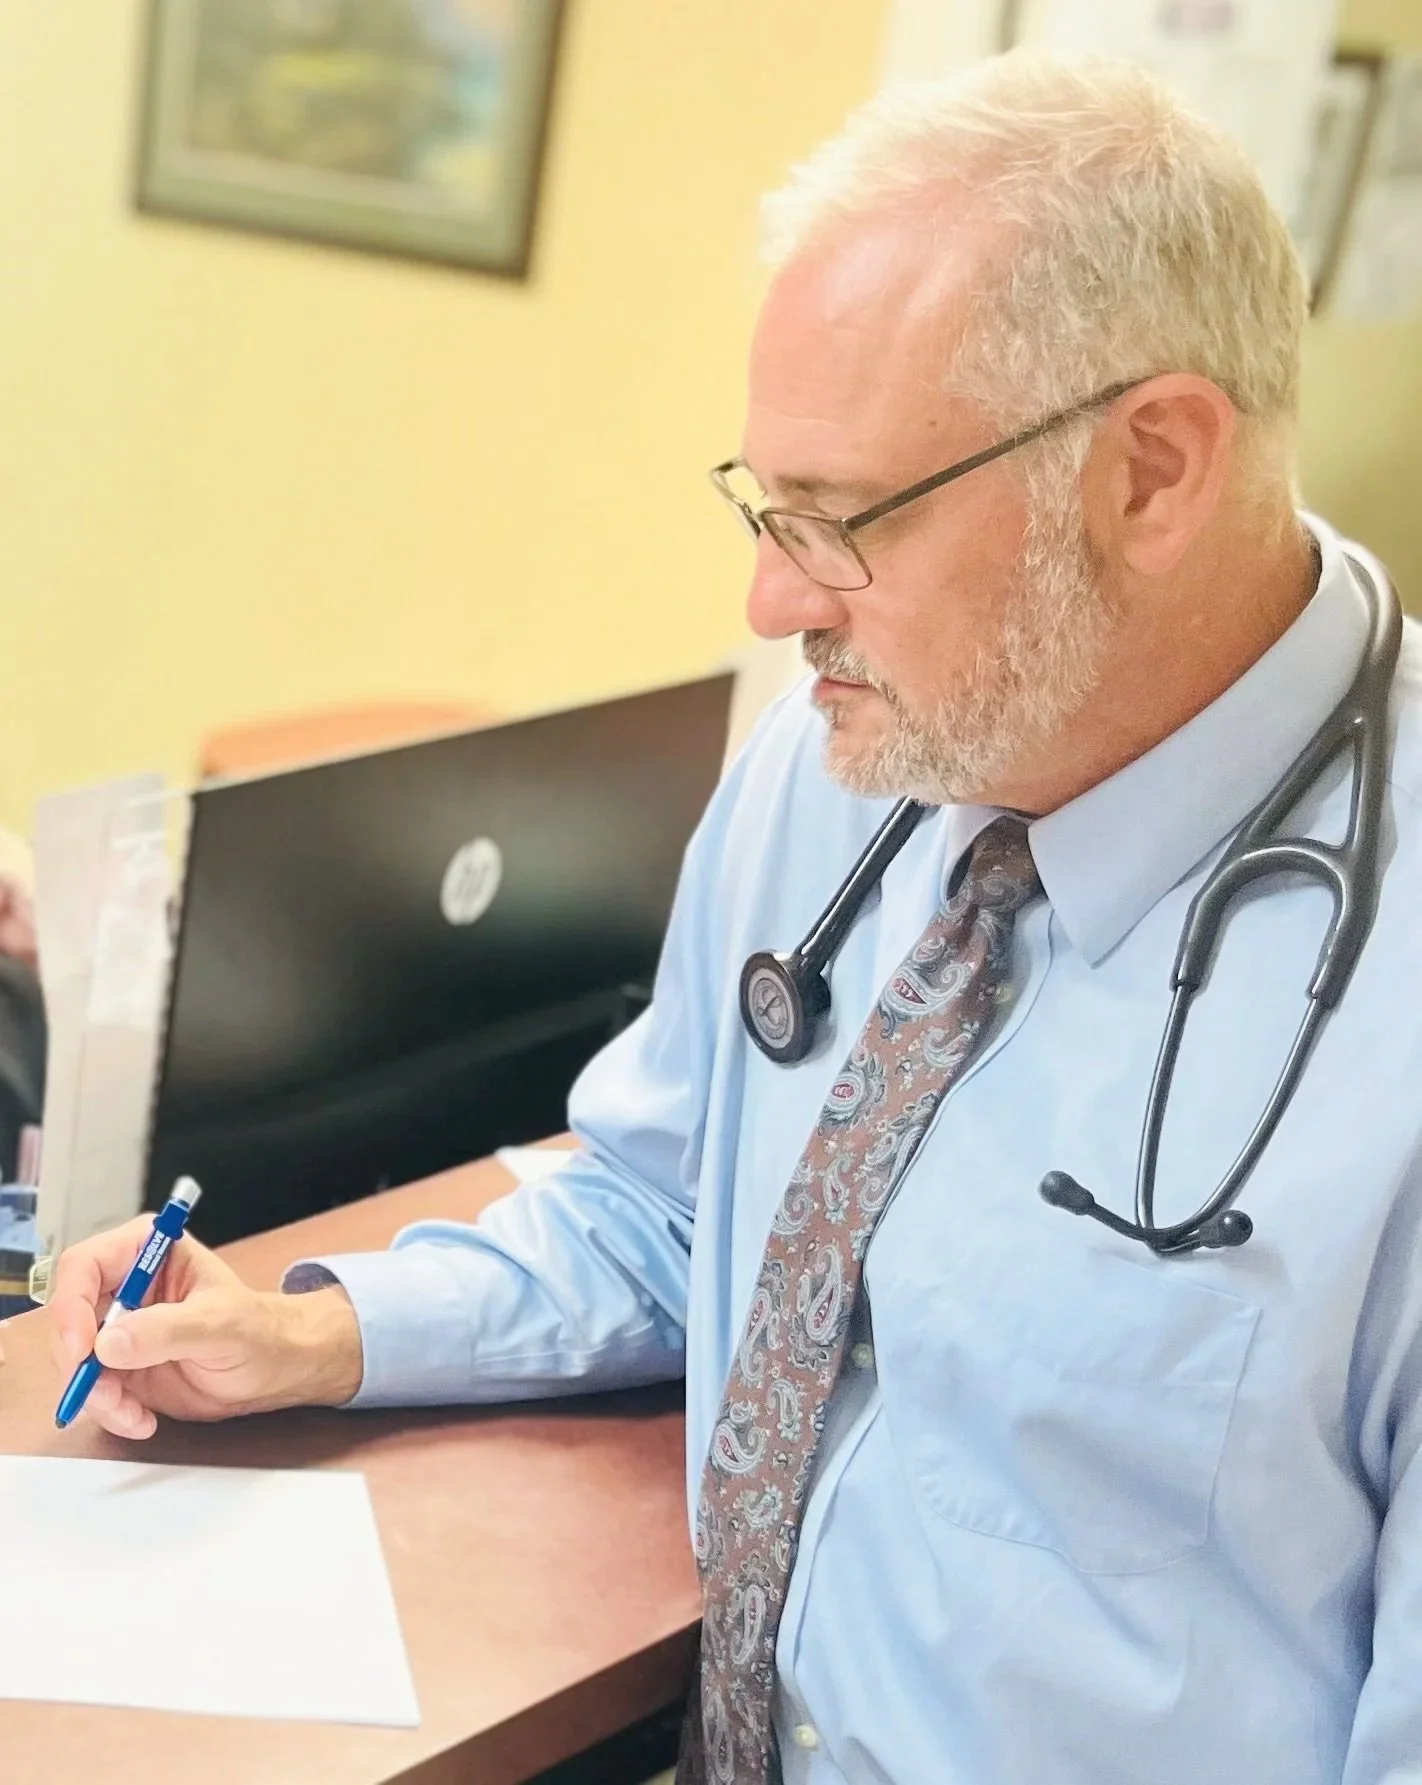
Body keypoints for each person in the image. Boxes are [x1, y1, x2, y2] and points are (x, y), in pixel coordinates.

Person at [45, 53, 1422, 1785]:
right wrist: (324, 1333)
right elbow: (670, 1203)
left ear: (1151, 469)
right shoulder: (840, 771)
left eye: (839, 525)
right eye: (764, 506)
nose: (772, 603)